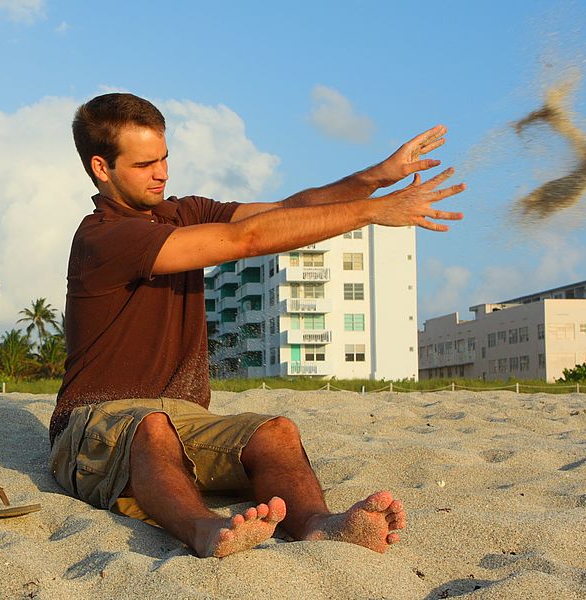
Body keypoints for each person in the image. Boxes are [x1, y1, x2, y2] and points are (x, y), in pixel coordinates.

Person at [49, 92, 465, 558]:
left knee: (277, 431)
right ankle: (204, 529)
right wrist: (373, 211)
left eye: (165, 157)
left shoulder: (181, 213)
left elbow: (288, 208)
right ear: (102, 168)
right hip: (96, 425)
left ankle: (318, 526)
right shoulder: (103, 238)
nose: (162, 172)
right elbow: (245, 240)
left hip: (182, 419)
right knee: (151, 426)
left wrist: (374, 178)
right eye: (145, 164)